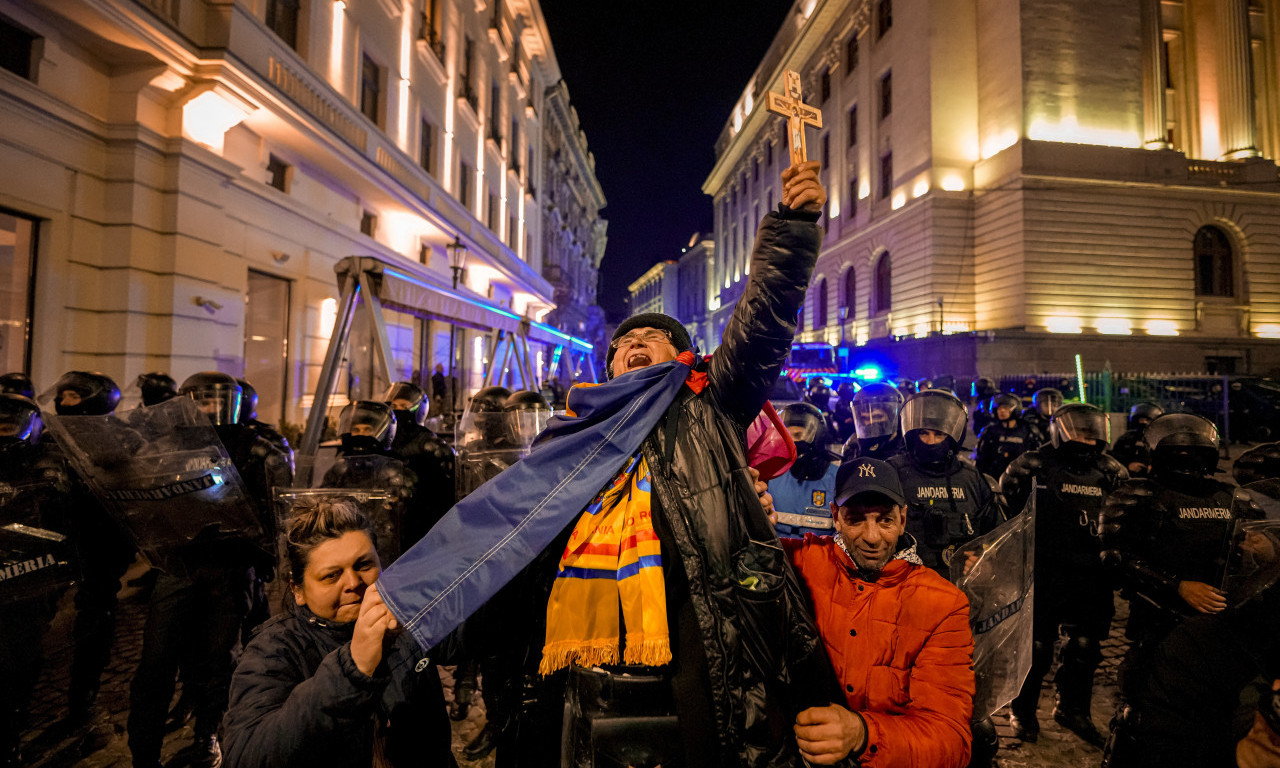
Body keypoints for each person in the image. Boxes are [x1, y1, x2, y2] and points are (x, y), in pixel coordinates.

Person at [375, 160, 835, 766]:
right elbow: (505, 526)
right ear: (610, 365)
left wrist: (791, 231)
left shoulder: (709, 405)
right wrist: (418, 605)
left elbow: (763, 324)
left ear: (685, 358)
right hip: (578, 671)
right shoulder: (571, 433)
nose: (634, 343)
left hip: (696, 649)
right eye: (624, 343)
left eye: (653, 338)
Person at [128, 372, 292, 768]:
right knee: (156, 660)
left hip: (231, 568)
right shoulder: (164, 448)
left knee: (219, 659)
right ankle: (144, 752)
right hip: (179, 566)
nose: (207, 408)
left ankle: (208, 737)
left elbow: (274, 513)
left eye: (215, 400)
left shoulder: (256, 449)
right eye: (199, 400)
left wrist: (261, 557)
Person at [222, 499, 455, 768]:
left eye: (364, 565)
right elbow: (246, 755)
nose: (353, 583)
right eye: (331, 576)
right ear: (298, 590)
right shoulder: (273, 651)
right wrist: (352, 670)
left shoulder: (406, 616)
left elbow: (471, 632)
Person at [783, 457, 975, 767]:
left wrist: (862, 734)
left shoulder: (944, 604)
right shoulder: (803, 560)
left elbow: (950, 740)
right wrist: (748, 506)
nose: (872, 537)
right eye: (856, 519)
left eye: (885, 520)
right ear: (835, 517)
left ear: (903, 519)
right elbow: (732, 554)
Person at [1100, 412, 1262, 763]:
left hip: (1219, 625)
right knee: (1139, 713)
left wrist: (1260, 549)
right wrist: (1177, 586)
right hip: (1159, 619)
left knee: (1218, 716)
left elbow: (1256, 553)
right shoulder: (1138, 494)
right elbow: (1114, 557)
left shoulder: (1231, 497)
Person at [999, 403, 1128, 745]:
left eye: (1092, 433)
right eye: (1080, 432)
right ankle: (1023, 710)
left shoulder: (1109, 470)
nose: (1087, 440)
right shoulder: (1034, 464)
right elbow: (1009, 506)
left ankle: (1073, 709)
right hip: (1044, 569)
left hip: (1091, 574)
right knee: (1036, 647)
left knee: (1085, 647)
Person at [49, 372, 136, 723]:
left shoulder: (120, 436)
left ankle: (83, 694)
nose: (64, 403)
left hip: (101, 540)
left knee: (95, 615)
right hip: (56, 537)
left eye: (73, 396)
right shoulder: (49, 435)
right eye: (63, 396)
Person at [0, 394, 74, 767]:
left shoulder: (47, 468)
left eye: (7, 426)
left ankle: (10, 733)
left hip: (26, 583)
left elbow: (64, 528)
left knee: (18, 663)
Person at [887, 389, 1005, 578]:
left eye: (938, 434)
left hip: (958, 584)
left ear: (951, 437)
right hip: (904, 582)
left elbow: (998, 536)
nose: (930, 441)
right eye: (924, 433)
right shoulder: (893, 472)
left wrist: (983, 559)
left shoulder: (972, 479)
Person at [382, 381, 456, 545]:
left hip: (423, 530)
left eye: (403, 406)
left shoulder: (432, 447)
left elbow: (447, 497)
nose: (397, 410)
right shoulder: (383, 444)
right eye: (393, 405)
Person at [770, 402, 839, 538]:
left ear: (818, 436)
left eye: (798, 435)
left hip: (822, 551)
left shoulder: (837, 477)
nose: (791, 441)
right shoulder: (771, 474)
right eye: (786, 435)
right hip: (777, 550)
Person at [973, 392, 1040, 481]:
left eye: (1005, 407)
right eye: (999, 408)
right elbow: (981, 460)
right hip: (995, 479)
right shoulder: (990, 431)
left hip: (1023, 480)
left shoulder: (1028, 431)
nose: (1002, 411)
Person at [840, 382, 906, 462]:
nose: (870, 423)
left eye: (877, 417)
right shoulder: (853, 444)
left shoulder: (905, 445)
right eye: (865, 418)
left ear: (894, 416)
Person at [1111, 402, 1164, 478]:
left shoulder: (1161, 440)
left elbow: (1167, 459)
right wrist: (1128, 465)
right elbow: (1115, 457)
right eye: (1141, 419)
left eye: (1147, 420)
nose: (1143, 422)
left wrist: (1154, 467)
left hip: (1153, 479)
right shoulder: (1126, 438)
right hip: (1128, 478)